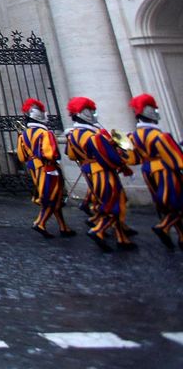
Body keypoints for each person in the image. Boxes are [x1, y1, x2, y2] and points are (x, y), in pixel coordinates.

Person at [64, 96, 135, 252]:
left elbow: (71, 155)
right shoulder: (94, 136)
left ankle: (121, 235)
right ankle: (99, 231)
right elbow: (109, 157)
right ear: (84, 113)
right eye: (90, 110)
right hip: (103, 173)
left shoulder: (73, 135)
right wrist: (122, 159)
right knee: (113, 203)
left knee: (109, 201)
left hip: (89, 173)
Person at [127, 93, 183, 250]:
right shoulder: (160, 136)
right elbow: (176, 159)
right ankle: (163, 227)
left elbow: (133, 159)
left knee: (167, 206)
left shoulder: (133, 136)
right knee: (177, 204)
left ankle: (181, 236)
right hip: (165, 171)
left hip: (147, 171)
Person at [15, 97, 75, 238]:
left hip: (34, 170)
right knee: (51, 197)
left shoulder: (23, 135)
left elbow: (21, 156)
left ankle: (63, 226)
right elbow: (51, 153)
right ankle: (40, 223)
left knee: (54, 197)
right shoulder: (45, 133)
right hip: (48, 169)